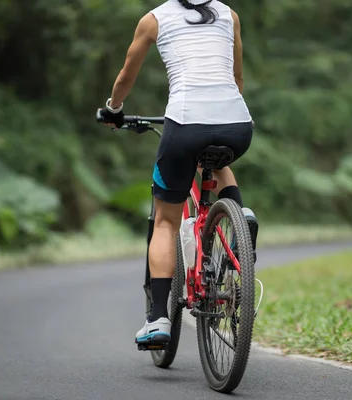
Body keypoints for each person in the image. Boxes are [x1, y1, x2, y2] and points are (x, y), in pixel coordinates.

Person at [97, 0, 258, 347]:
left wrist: (113, 110)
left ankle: (158, 319)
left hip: (186, 123)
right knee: (215, 159)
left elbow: (126, 76)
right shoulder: (229, 14)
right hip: (237, 124)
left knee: (166, 222)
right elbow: (237, 76)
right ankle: (241, 215)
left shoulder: (154, 19)